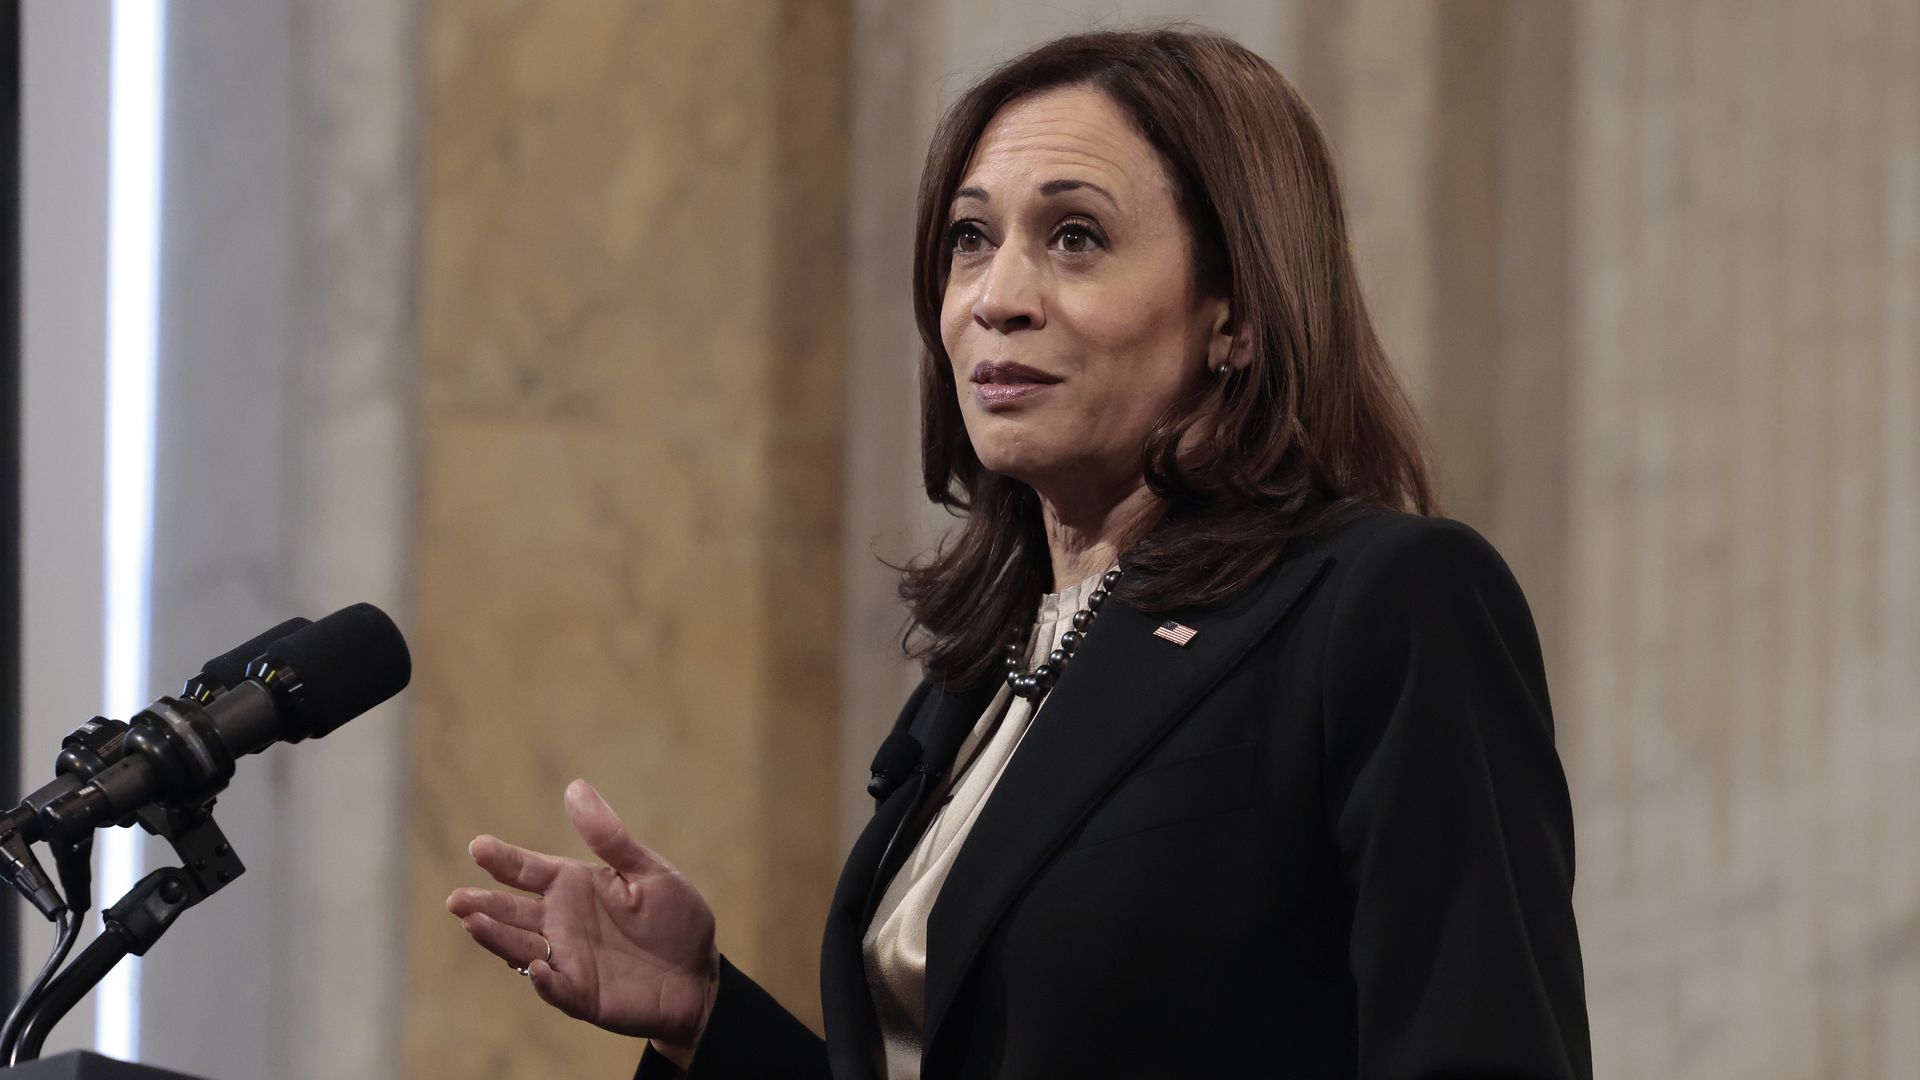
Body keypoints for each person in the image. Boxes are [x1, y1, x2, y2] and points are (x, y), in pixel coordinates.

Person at [447, 27, 1592, 1080]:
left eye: (1075, 238)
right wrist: (705, 1018)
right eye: (970, 239)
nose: (997, 298)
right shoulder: (979, 679)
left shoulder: (1381, 606)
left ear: (1236, 312)